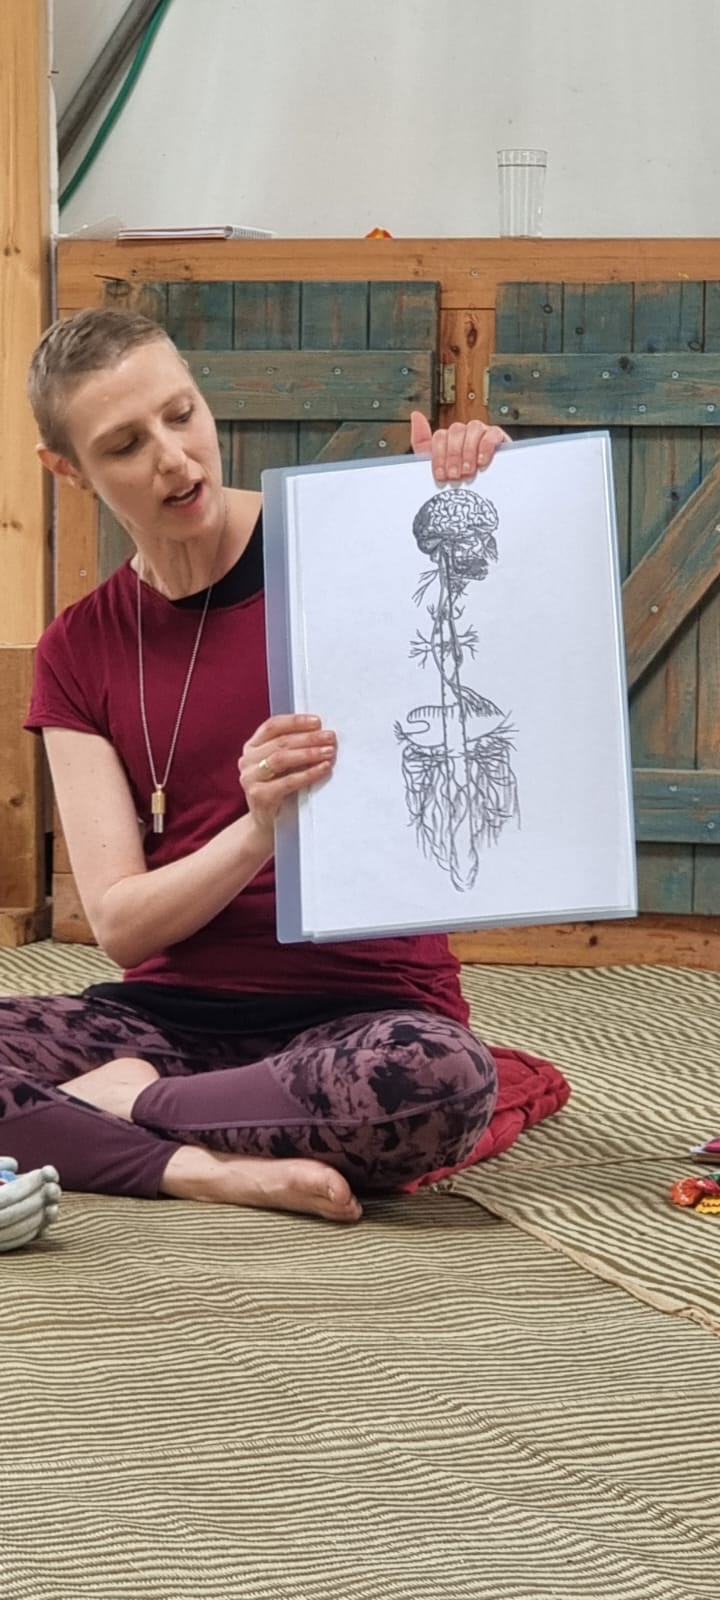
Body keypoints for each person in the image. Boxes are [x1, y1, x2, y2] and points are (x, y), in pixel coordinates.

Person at [0, 308, 511, 1227]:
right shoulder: (78, 648)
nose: (174, 459)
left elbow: (508, 663)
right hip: (164, 1018)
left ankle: (128, 1111)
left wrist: (476, 496)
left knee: (442, 1083)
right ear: (67, 470)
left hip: (367, 1011)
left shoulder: (354, 548)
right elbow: (122, 927)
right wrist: (258, 829)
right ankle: (202, 1167)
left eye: (182, 414)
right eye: (125, 445)